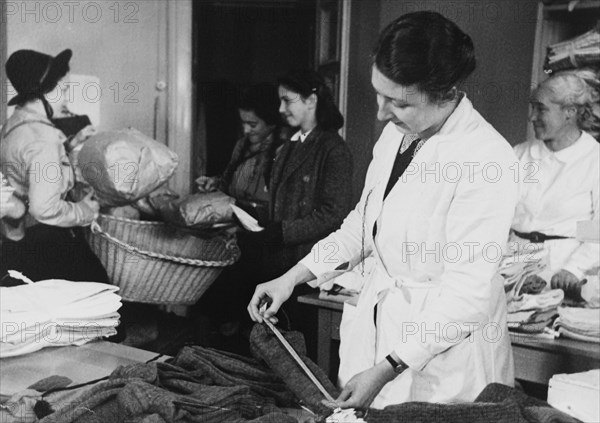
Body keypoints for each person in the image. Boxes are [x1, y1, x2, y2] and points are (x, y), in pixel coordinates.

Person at [249, 11, 518, 409]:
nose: (380, 113)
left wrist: (389, 366)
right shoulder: (397, 135)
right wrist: (292, 277)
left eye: (398, 102)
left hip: (443, 358)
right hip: (379, 332)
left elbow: (467, 295)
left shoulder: (487, 158)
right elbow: (362, 225)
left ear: (444, 90)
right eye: (379, 93)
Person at [203, 70, 353, 341]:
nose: (281, 109)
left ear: (311, 100)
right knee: (269, 343)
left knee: (298, 342)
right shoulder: (290, 145)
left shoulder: (333, 149)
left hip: (306, 267)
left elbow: (333, 213)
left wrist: (282, 231)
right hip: (275, 262)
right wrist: (248, 219)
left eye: (287, 100)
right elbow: (277, 203)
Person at [0, 49, 108, 283]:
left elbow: (31, 164)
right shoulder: (43, 138)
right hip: (45, 244)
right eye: (65, 89)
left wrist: (69, 145)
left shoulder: (14, 125)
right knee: (101, 289)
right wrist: (85, 211)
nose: (67, 99)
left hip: (17, 242)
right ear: (44, 91)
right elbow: (44, 209)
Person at [510, 69, 600, 300]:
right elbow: (493, 218)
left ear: (570, 112)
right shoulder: (517, 155)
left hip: (564, 275)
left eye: (541, 109)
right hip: (510, 270)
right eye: (533, 108)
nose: (532, 117)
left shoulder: (593, 161)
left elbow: (595, 230)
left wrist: (572, 270)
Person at [196, 83, 286, 223]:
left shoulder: (286, 152)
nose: (245, 130)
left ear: (271, 122)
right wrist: (214, 183)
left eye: (252, 125)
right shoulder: (242, 145)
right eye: (243, 123)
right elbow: (229, 183)